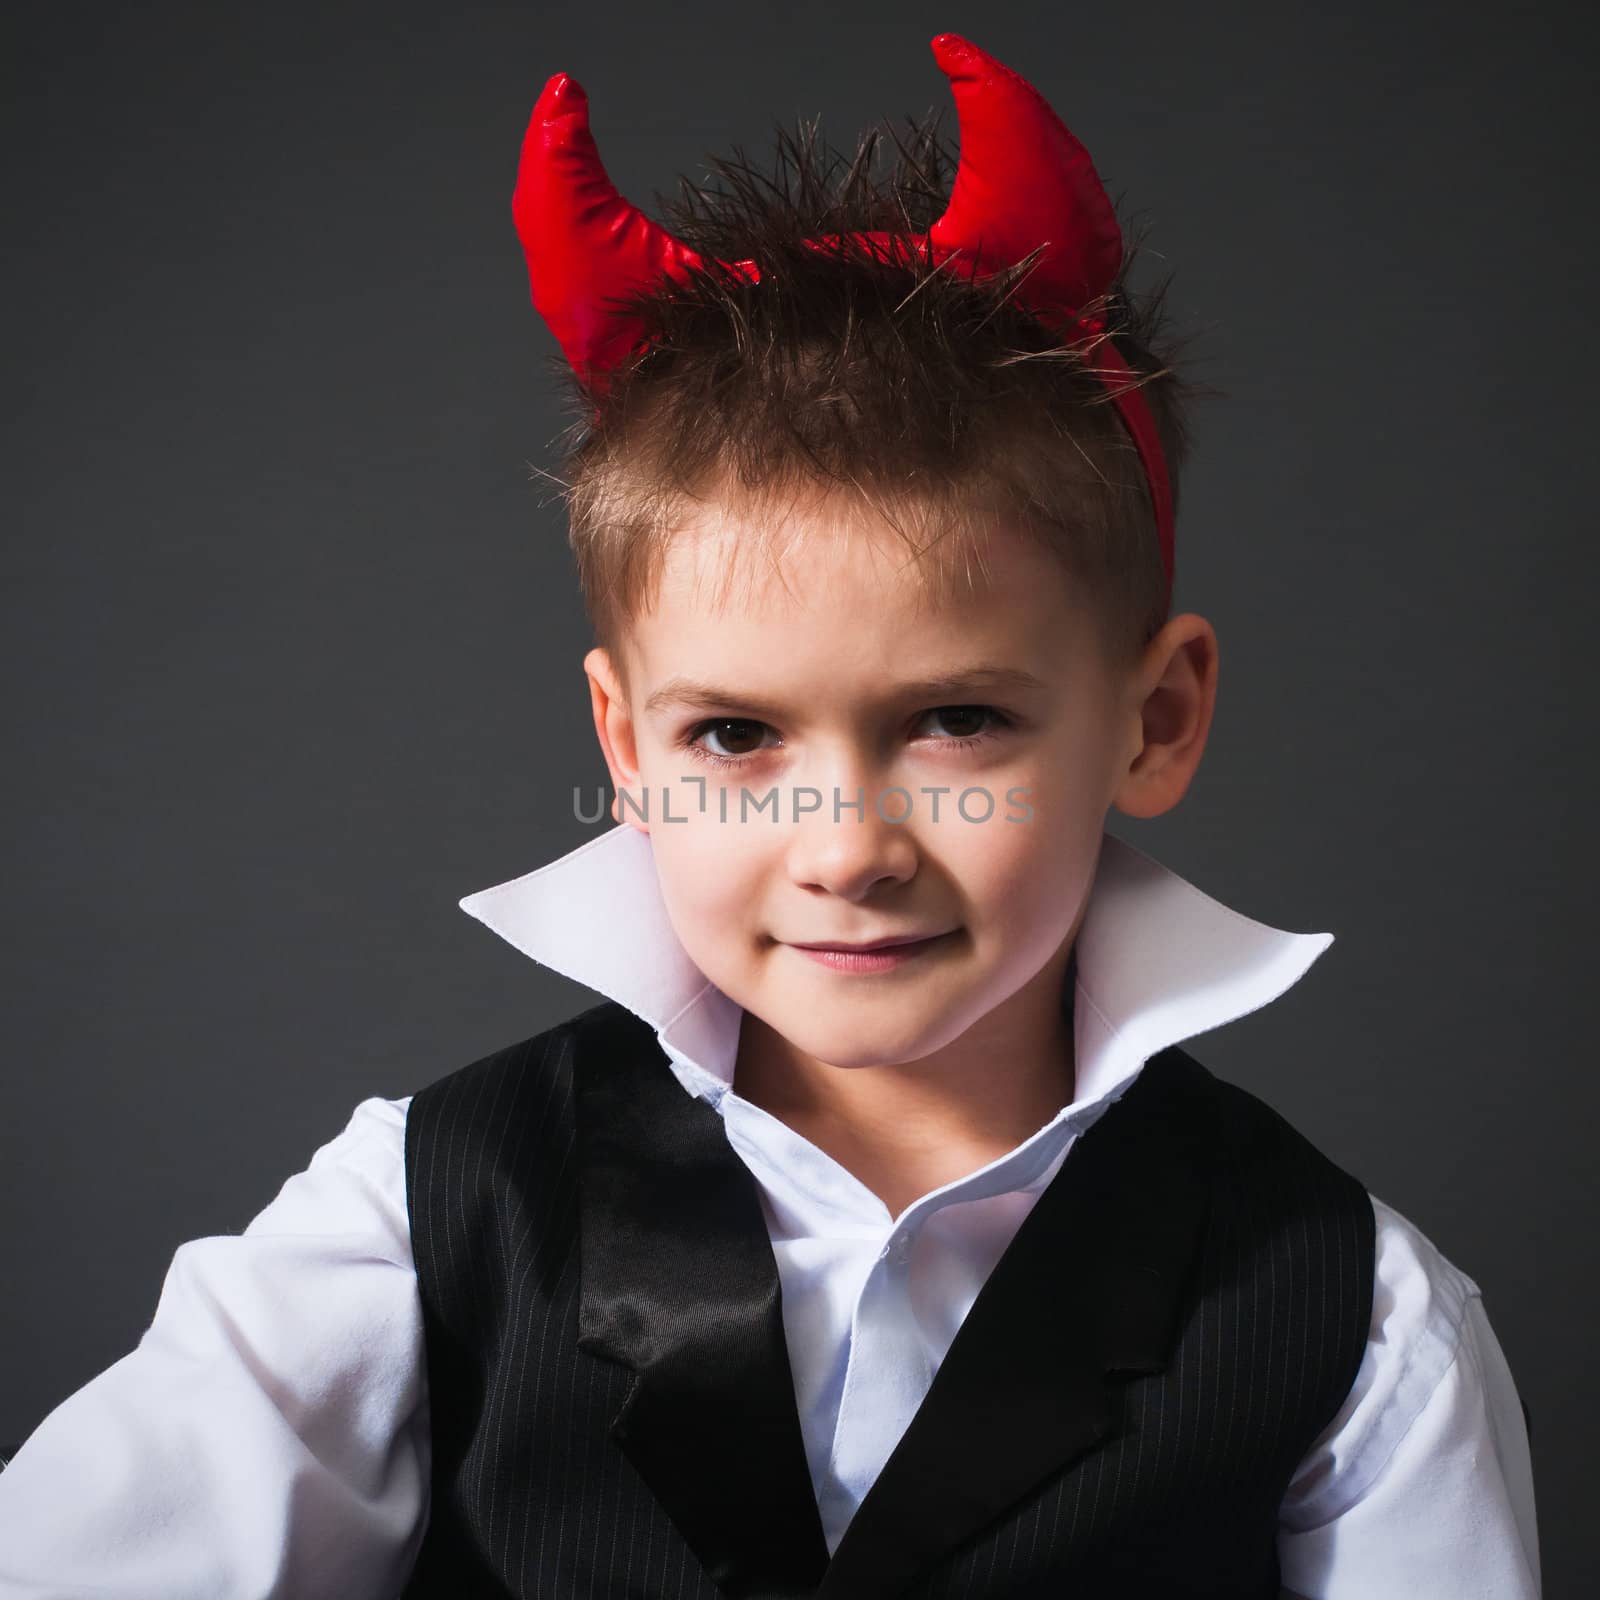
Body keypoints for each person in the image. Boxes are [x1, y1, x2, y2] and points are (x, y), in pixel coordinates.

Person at [0, 31, 1539, 1599]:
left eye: (959, 720)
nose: (848, 846)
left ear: (1154, 720)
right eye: (736, 733)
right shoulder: (418, 1221)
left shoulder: (1355, 1318)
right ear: (625, 737)